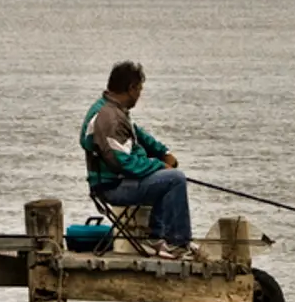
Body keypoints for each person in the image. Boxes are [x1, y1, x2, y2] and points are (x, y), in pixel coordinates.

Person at [80, 61, 206, 261]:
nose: (140, 95)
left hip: (119, 180)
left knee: (168, 177)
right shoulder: (110, 118)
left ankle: (161, 237)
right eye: (139, 89)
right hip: (112, 186)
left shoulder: (113, 109)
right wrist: (159, 165)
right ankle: (175, 243)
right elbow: (123, 163)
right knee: (174, 180)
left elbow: (138, 135)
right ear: (131, 88)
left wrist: (163, 152)